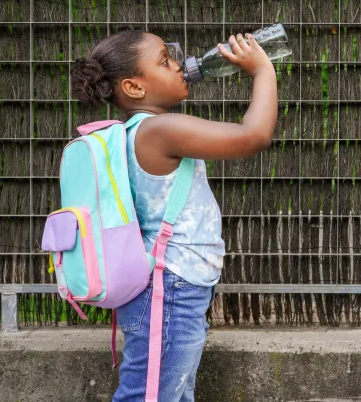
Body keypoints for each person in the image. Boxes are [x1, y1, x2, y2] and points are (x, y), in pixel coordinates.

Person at [71, 29, 278, 401]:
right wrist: (262, 71)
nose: (179, 65)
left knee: (170, 392)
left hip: (171, 284)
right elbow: (255, 135)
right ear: (134, 88)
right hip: (170, 287)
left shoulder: (140, 132)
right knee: (151, 395)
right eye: (165, 61)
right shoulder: (160, 130)